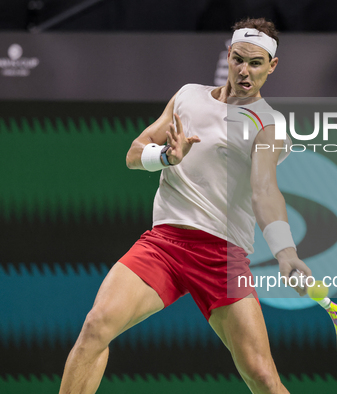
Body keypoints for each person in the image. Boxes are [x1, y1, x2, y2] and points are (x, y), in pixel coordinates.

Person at [59, 17, 312, 394]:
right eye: (238, 59)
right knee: (96, 327)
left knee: (262, 376)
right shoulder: (188, 96)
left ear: (271, 66)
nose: (244, 71)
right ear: (228, 54)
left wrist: (285, 251)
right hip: (163, 246)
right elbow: (133, 153)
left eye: (256, 63)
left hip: (222, 257)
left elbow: (264, 190)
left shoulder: (268, 124)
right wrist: (165, 156)